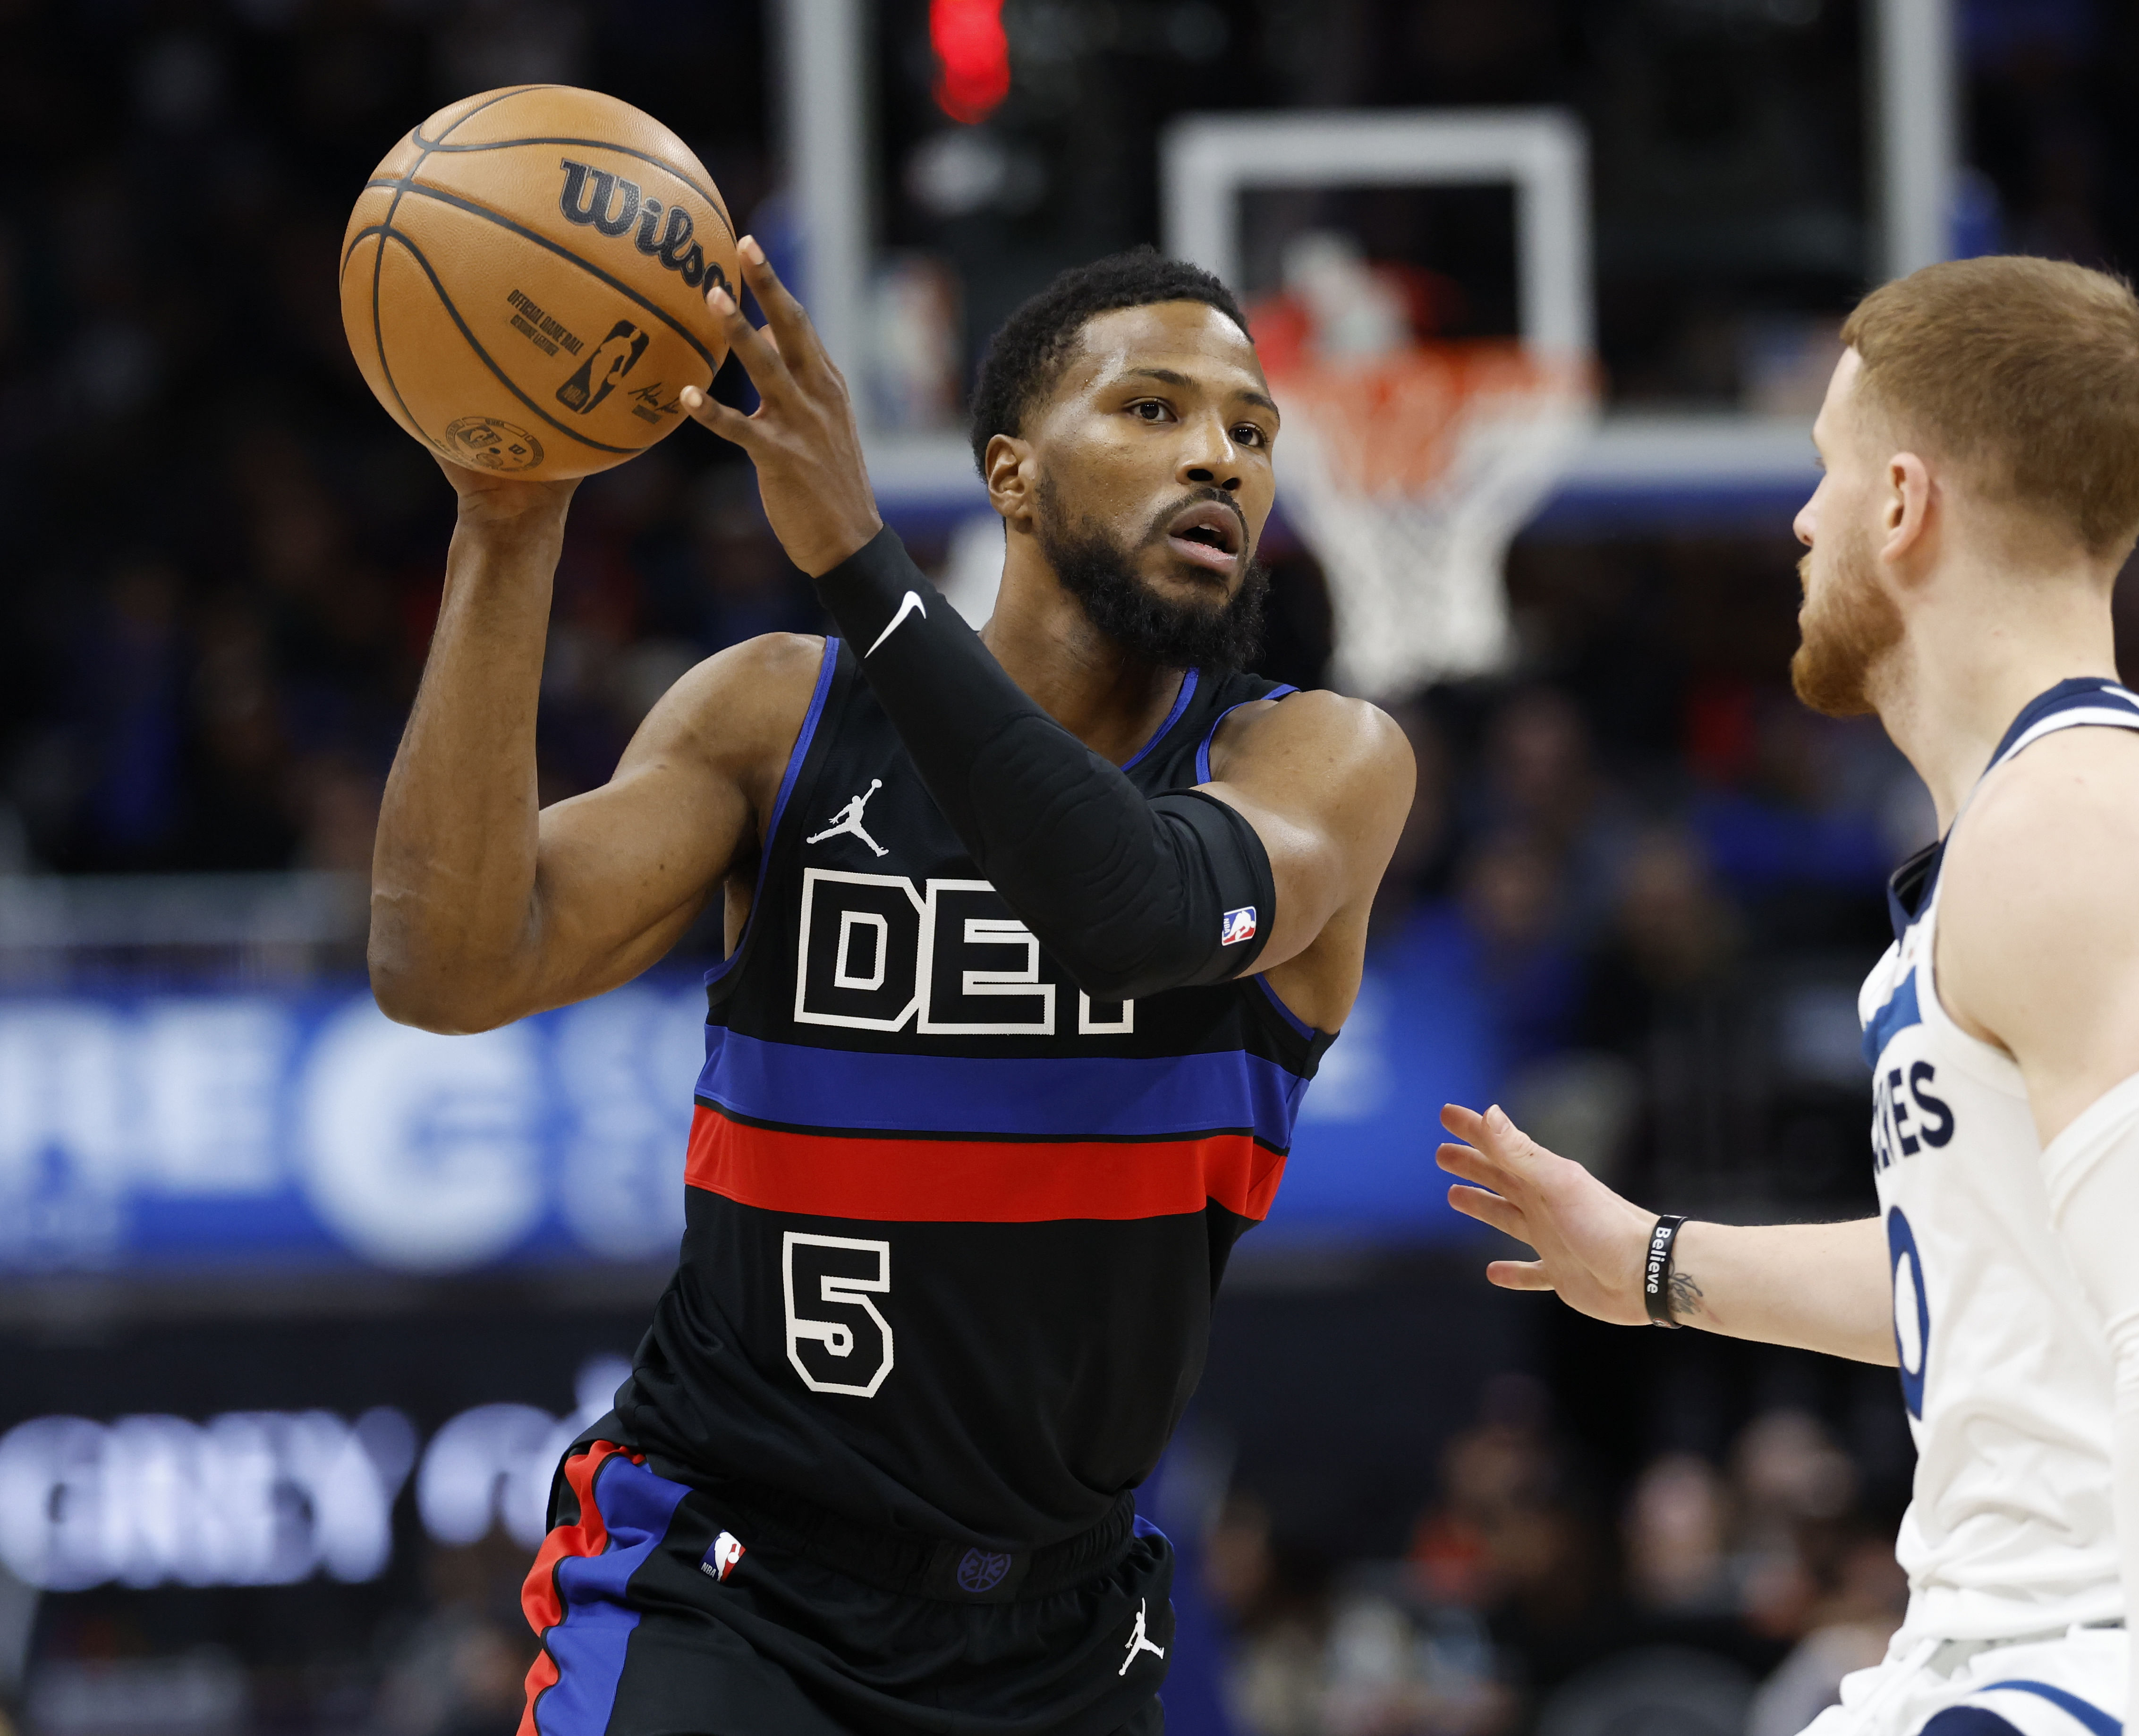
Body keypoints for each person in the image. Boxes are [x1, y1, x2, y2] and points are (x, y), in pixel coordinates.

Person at [368, 243, 1413, 1736]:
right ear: (1011, 474)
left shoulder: (1314, 760)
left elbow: (1135, 909)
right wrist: (506, 524)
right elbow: (444, 964)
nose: (1217, 457)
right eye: (1152, 410)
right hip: (724, 1584)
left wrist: (864, 564)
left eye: (1251, 431)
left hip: (1057, 1627)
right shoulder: (778, 719)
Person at [1436, 256, 2139, 1736]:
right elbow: (1997, 1277)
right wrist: (1654, 1263)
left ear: (1903, 502)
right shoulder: (2035, 830)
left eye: (1824, 472)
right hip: (2021, 1648)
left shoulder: (2079, 820)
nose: (1798, 520)